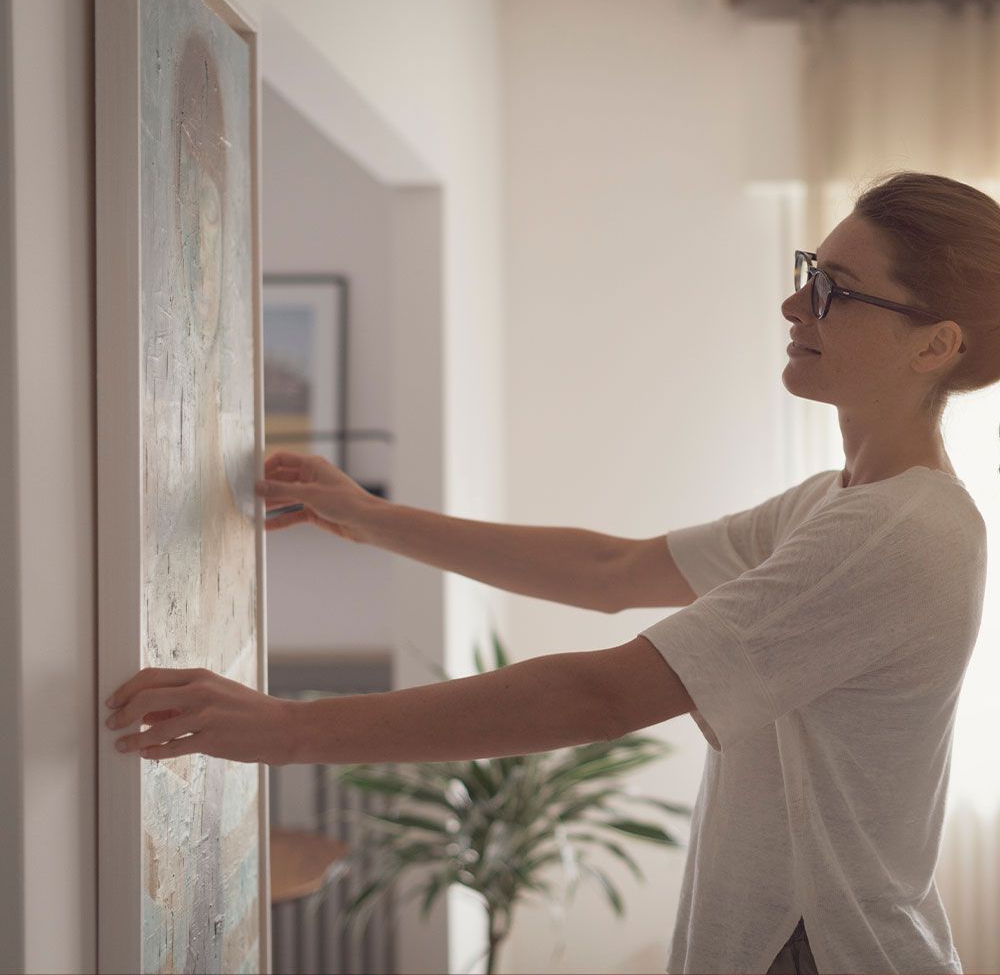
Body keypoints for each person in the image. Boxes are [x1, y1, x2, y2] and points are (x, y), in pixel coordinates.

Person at [105, 171, 1000, 974]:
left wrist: (287, 732)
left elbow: (600, 696)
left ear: (936, 346)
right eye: (811, 272)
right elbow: (611, 569)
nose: (792, 306)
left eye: (833, 291)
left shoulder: (900, 531)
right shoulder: (834, 505)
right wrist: (373, 519)